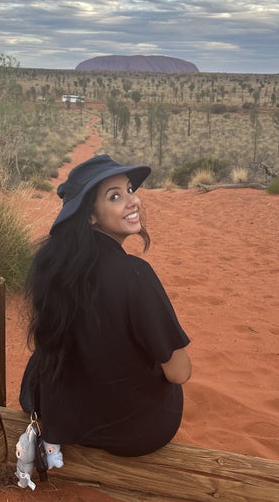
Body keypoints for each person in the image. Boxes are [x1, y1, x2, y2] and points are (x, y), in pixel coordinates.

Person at [19, 154, 191, 457]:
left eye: (130, 190)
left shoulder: (57, 270)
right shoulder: (135, 275)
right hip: (131, 434)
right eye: (115, 196)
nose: (133, 201)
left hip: (70, 421)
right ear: (90, 216)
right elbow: (179, 372)